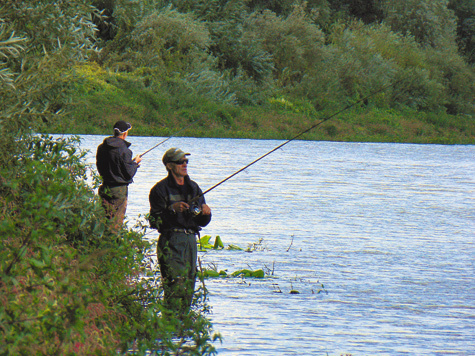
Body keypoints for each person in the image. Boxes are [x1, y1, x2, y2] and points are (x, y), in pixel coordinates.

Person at [149, 148, 211, 312]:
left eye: (186, 161)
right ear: (169, 166)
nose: (184, 164)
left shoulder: (194, 188)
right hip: (171, 240)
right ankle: (170, 328)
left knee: (188, 289)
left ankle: (183, 330)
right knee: (175, 288)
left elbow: (202, 221)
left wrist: (206, 213)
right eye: (179, 162)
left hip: (191, 241)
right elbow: (155, 221)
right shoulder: (160, 190)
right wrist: (172, 209)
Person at [96, 120, 142, 229]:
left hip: (105, 187)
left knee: (103, 221)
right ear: (125, 134)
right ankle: (111, 244)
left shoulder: (102, 148)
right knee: (115, 224)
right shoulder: (124, 151)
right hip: (118, 191)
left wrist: (131, 163)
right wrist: (135, 163)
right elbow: (128, 173)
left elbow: (104, 166)